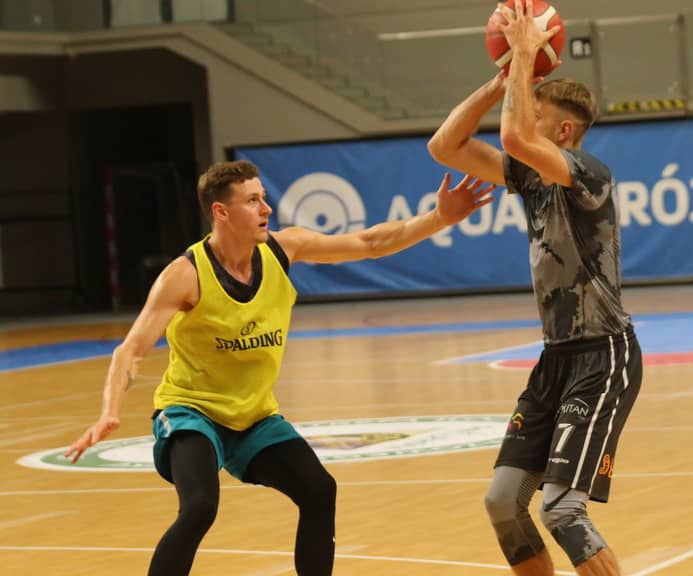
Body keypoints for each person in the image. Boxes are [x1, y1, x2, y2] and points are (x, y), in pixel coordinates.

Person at [64, 160, 494, 576]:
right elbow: (130, 350)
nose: (266, 208)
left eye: (264, 197)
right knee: (199, 507)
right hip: (192, 412)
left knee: (319, 490)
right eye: (252, 200)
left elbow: (370, 243)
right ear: (221, 212)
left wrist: (438, 218)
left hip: (254, 417)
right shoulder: (185, 275)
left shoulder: (284, 248)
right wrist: (109, 412)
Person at [427, 1, 642, 574]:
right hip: (555, 361)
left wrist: (523, 57)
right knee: (502, 502)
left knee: (562, 509)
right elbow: (444, 146)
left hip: (603, 357)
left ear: (563, 131)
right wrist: (501, 80)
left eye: (533, 109)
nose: (520, 109)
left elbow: (517, 137)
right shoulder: (530, 177)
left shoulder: (588, 173)